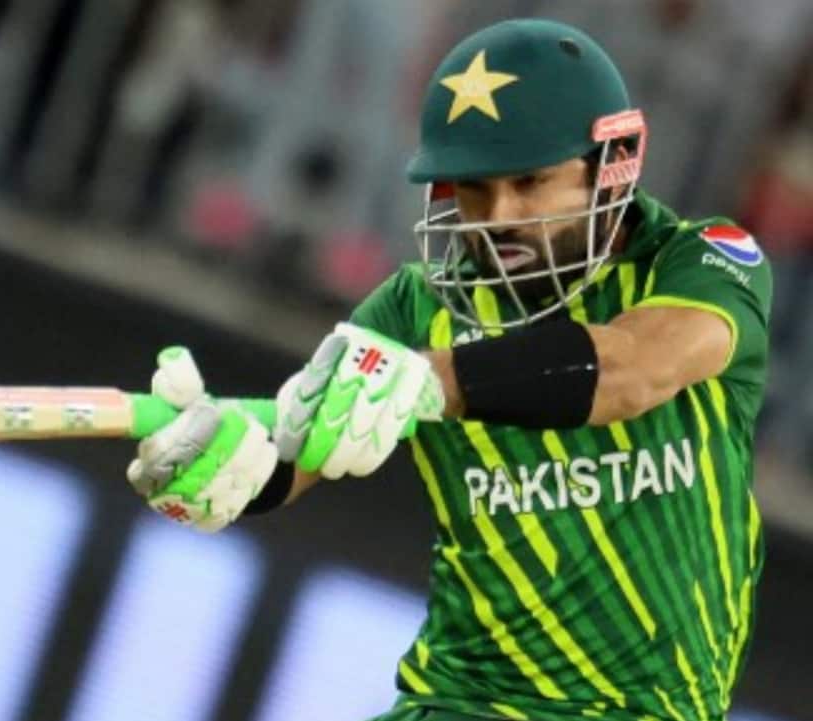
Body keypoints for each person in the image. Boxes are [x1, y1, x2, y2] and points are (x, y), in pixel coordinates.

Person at [124, 18, 772, 721]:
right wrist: (212, 458)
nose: (499, 217)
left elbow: (635, 368)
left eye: (530, 181)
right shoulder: (414, 307)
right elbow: (292, 451)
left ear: (609, 163)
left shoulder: (702, 261)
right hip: (459, 702)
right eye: (474, 188)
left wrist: (433, 380)